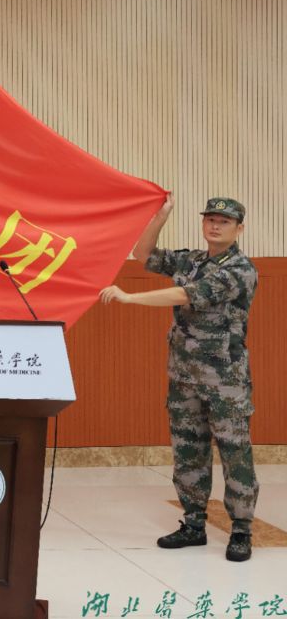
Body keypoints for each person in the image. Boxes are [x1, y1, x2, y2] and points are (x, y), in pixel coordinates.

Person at [99, 195, 258, 562]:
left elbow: (186, 294)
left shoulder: (240, 269)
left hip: (225, 380)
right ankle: (193, 524)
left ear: (239, 229)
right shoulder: (193, 260)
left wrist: (130, 298)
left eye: (224, 221)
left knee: (234, 452)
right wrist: (161, 215)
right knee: (188, 449)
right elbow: (143, 254)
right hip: (184, 375)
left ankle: (241, 529)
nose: (215, 225)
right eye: (210, 219)